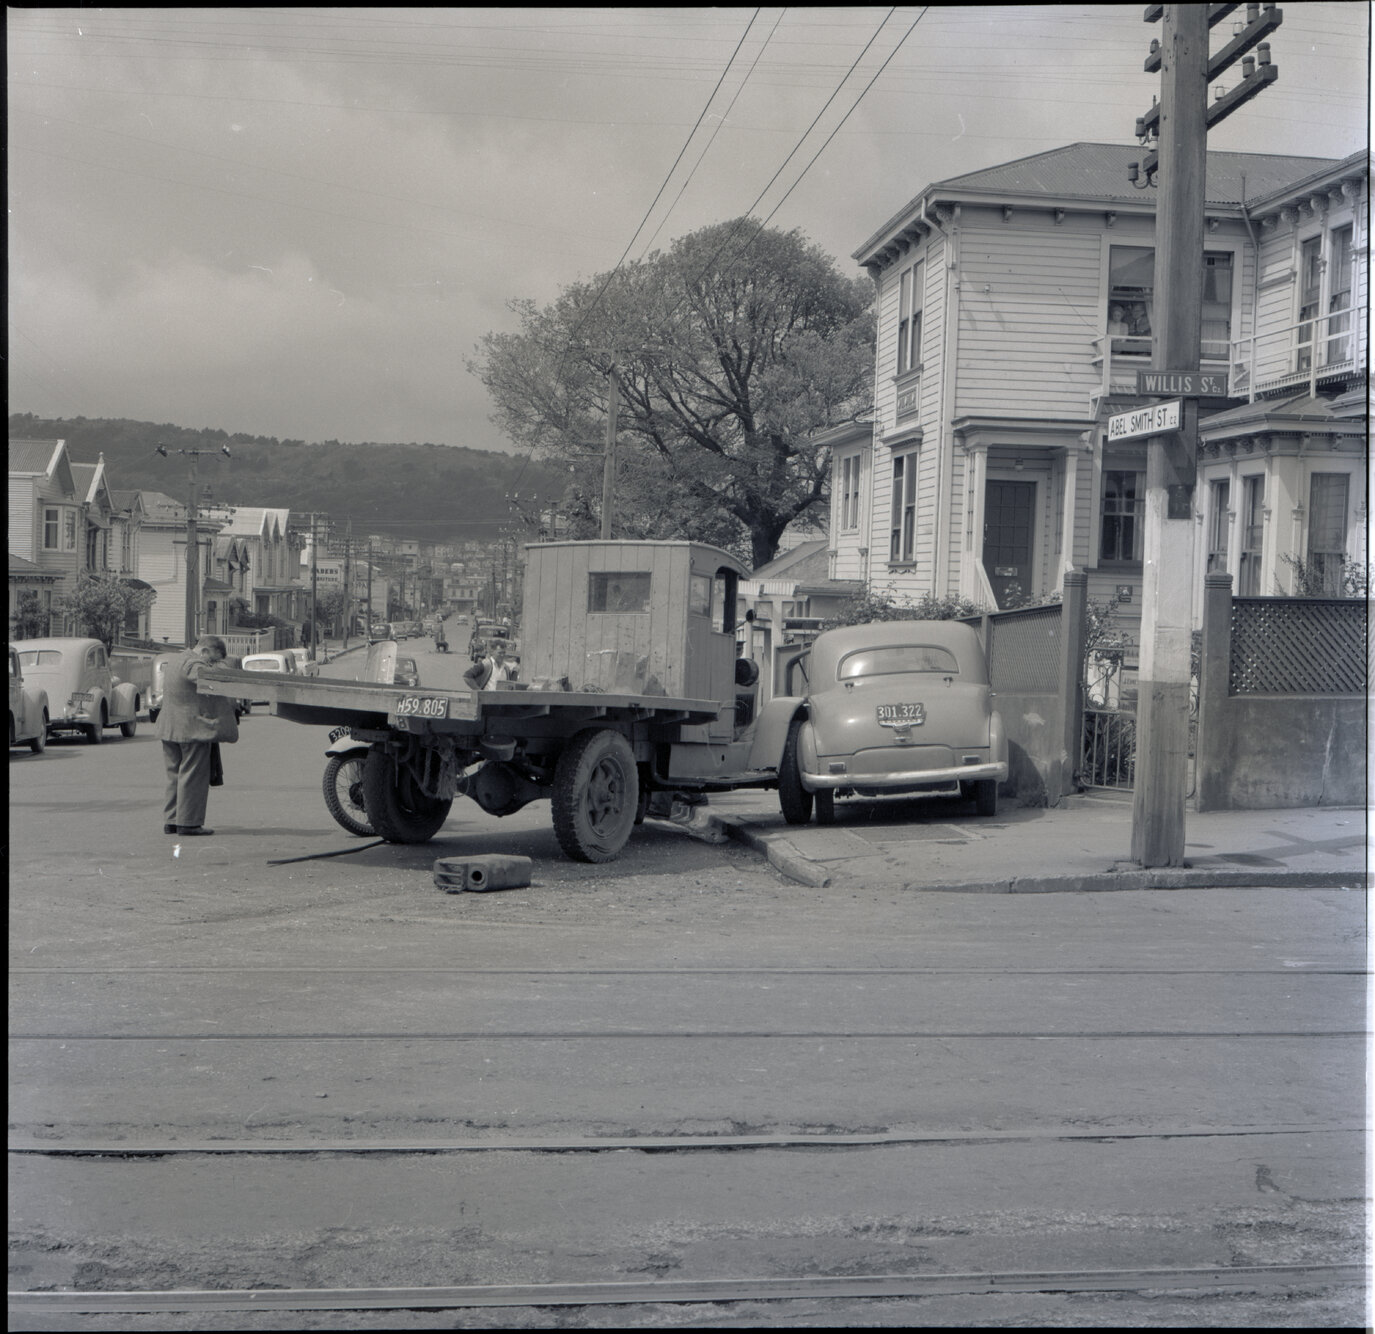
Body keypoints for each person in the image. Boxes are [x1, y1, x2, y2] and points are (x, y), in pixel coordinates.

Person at [157, 634, 239, 836]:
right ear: (204, 651)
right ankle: (189, 823)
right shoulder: (192, 663)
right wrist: (223, 668)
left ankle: (172, 820)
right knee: (193, 776)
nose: (213, 663)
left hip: (169, 728)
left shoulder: (176, 659)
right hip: (191, 729)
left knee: (174, 775)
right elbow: (209, 676)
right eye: (213, 659)